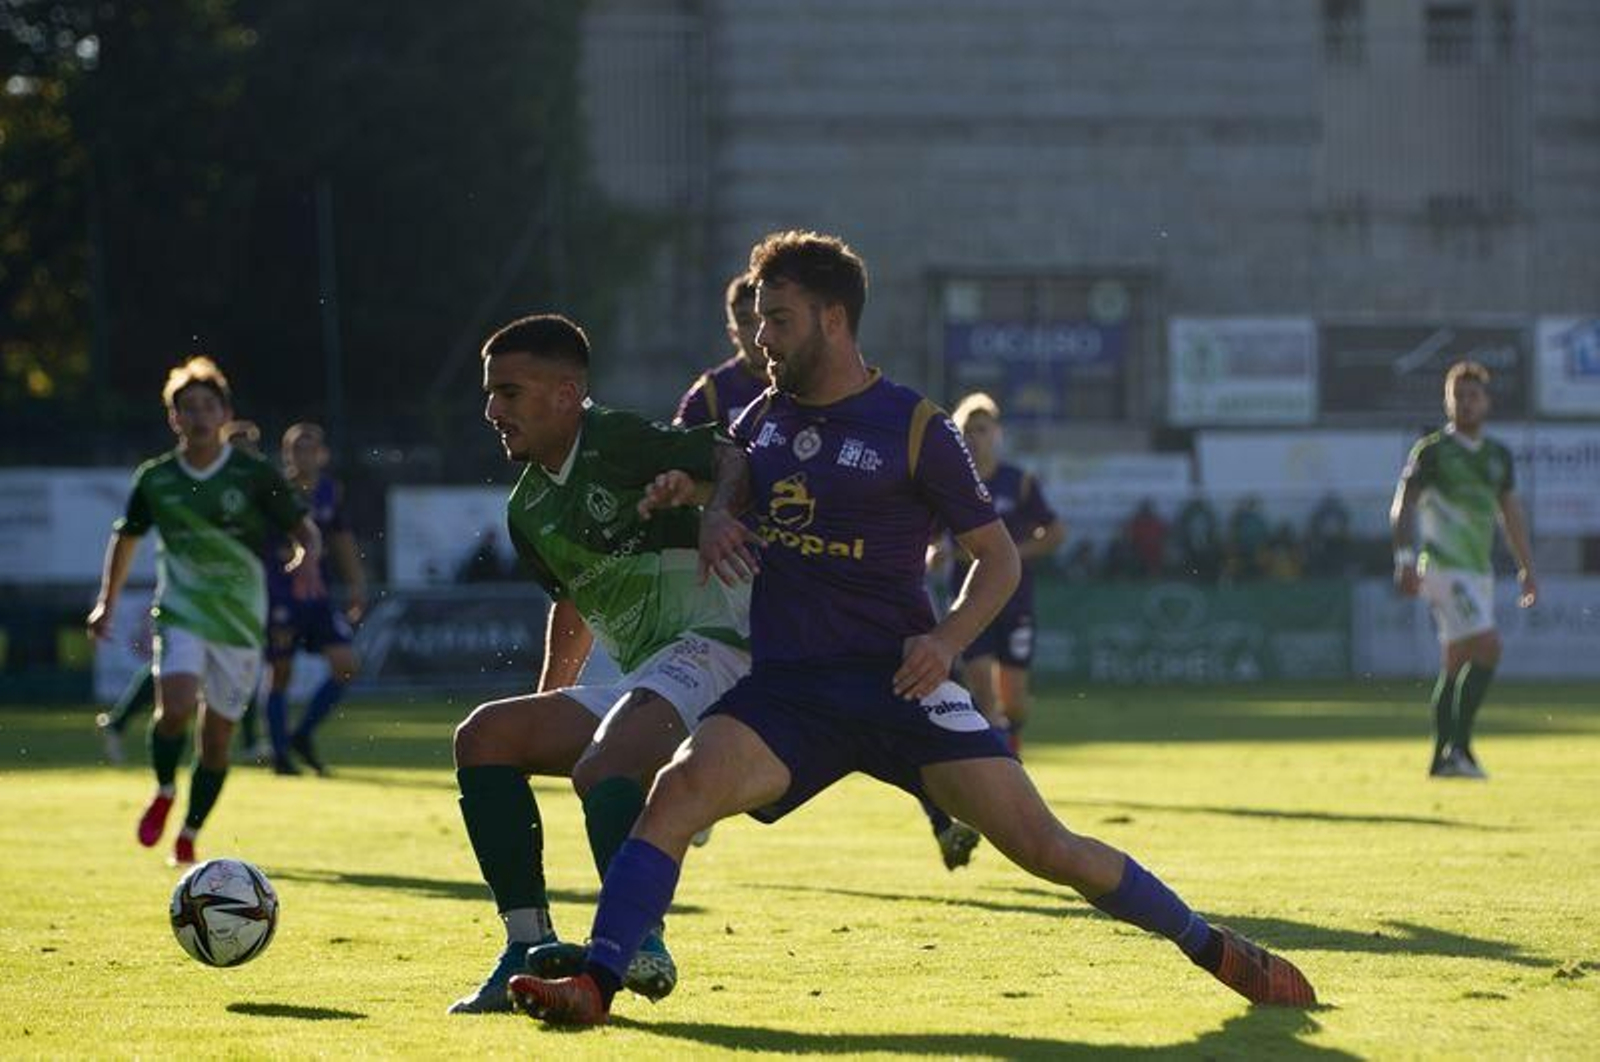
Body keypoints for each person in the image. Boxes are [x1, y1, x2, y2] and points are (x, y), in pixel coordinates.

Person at [507, 230, 1316, 1025]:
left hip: (900, 686)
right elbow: (734, 474)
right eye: (758, 322)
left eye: (779, 320)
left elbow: (998, 560)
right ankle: (598, 985)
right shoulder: (763, 415)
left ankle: (1214, 947)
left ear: (833, 320)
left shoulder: (917, 427)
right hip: (789, 693)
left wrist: (947, 641)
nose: (762, 340)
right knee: (678, 792)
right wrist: (708, 506)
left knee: (1048, 848)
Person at [447, 313, 753, 1014]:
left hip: (721, 645)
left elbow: (730, 454)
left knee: (605, 764)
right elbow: (574, 604)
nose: (493, 411)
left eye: (509, 393)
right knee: (486, 737)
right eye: (489, 394)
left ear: (566, 394)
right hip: (651, 676)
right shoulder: (528, 507)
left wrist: (715, 513)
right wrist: (546, 706)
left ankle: (638, 941)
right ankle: (525, 946)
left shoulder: (615, 439)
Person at [86, 357, 320, 866]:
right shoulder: (156, 478)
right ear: (173, 418)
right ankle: (165, 789)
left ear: (224, 414)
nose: (197, 416)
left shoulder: (253, 474)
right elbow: (126, 538)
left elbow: (304, 528)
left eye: (207, 406)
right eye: (187, 407)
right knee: (174, 708)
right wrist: (107, 601)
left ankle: (189, 832)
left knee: (216, 742)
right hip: (181, 613)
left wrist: (307, 556)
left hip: (240, 623)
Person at [1390, 360, 1537, 780]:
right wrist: (1404, 560)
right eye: (1458, 397)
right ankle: (1460, 749)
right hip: (1442, 568)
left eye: (1473, 396)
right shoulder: (1432, 451)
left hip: (1477, 571)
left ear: (1486, 402)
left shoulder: (1497, 456)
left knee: (1455, 662)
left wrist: (1527, 568)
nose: (1466, 403)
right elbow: (1402, 507)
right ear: (1447, 402)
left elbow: (1511, 515)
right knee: (1489, 648)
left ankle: (1443, 757)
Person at [932, 392, 1065, 752]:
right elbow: (932, 540)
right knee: (983, 693)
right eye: (967, 430)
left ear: (997, 433)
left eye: (982, 429)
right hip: (969, 600)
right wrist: (934, 555)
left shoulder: (1018, 481)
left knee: (1015, 701)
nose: (975, 437)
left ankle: (1010, 742)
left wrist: (1010, 556)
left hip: (1014, 598)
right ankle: (1000, 764)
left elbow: (1055, 533)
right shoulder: (949, 483)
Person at [261, 422, 367, 776]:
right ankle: (280, 755)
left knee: (346, 665)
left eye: (309, 449)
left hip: (317, 596)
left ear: (322, 455)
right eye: (296, 449)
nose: (302, 456)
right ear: (286, 455)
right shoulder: (275, 491)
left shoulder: (330, 491)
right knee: (280, 672)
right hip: (281, 594)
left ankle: (302, 735)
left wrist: (356, 585)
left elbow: (341, 539)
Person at [673, 272, 769, 431]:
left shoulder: (806, 385)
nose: (757, 333)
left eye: (765, 319)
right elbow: (679, 442)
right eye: (745, 322)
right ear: (733, 333)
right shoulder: (710, 394)